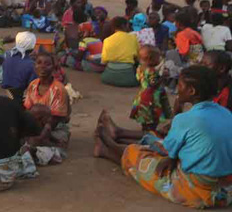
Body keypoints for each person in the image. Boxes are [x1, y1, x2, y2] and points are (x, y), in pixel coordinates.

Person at [94, 66, 232, 209]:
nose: (177, 88)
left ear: (191, 91)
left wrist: (177, 112)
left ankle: (107, 149)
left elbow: (168, 149)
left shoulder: (186, 119)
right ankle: (115, 137)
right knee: (158, 140)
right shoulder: (227, 113)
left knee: (137, 154)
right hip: (227, 187)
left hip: (197, 188)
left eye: (180, 85)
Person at [23, 52, 70, 160]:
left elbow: (56, 119)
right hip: (36, 124)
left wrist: (42, 133)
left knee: (34, 142)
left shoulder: (59, 89)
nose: (42, 67)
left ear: (53, 67)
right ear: (34, 66)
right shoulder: (33, 85)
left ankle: (46, 145)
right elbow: (28, 111)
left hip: (55, 127)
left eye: (47, 64)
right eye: (39, 63)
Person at [130, 45, 171, 132]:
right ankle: (150, 133)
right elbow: (153, 83)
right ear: (151, 59)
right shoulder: (151, 71)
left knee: (145, 118)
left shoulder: (140, 68)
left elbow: (139, 78)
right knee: (152, 117)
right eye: (158, 57)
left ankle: (145, 130)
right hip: (152, 97)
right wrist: (162, 77)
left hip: (143, 95)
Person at [100, 16, 140, 87]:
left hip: (108, 77)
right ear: (124, 26)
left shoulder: (107, 40)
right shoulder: (133, 38)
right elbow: (137, 57)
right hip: (128, 77)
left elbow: (103, 61)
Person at [1, 31, 37, 102]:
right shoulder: (31, 64)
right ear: (33, 46)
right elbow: (33, 84)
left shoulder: (7, 55)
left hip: (5, 92)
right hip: (20, 95)